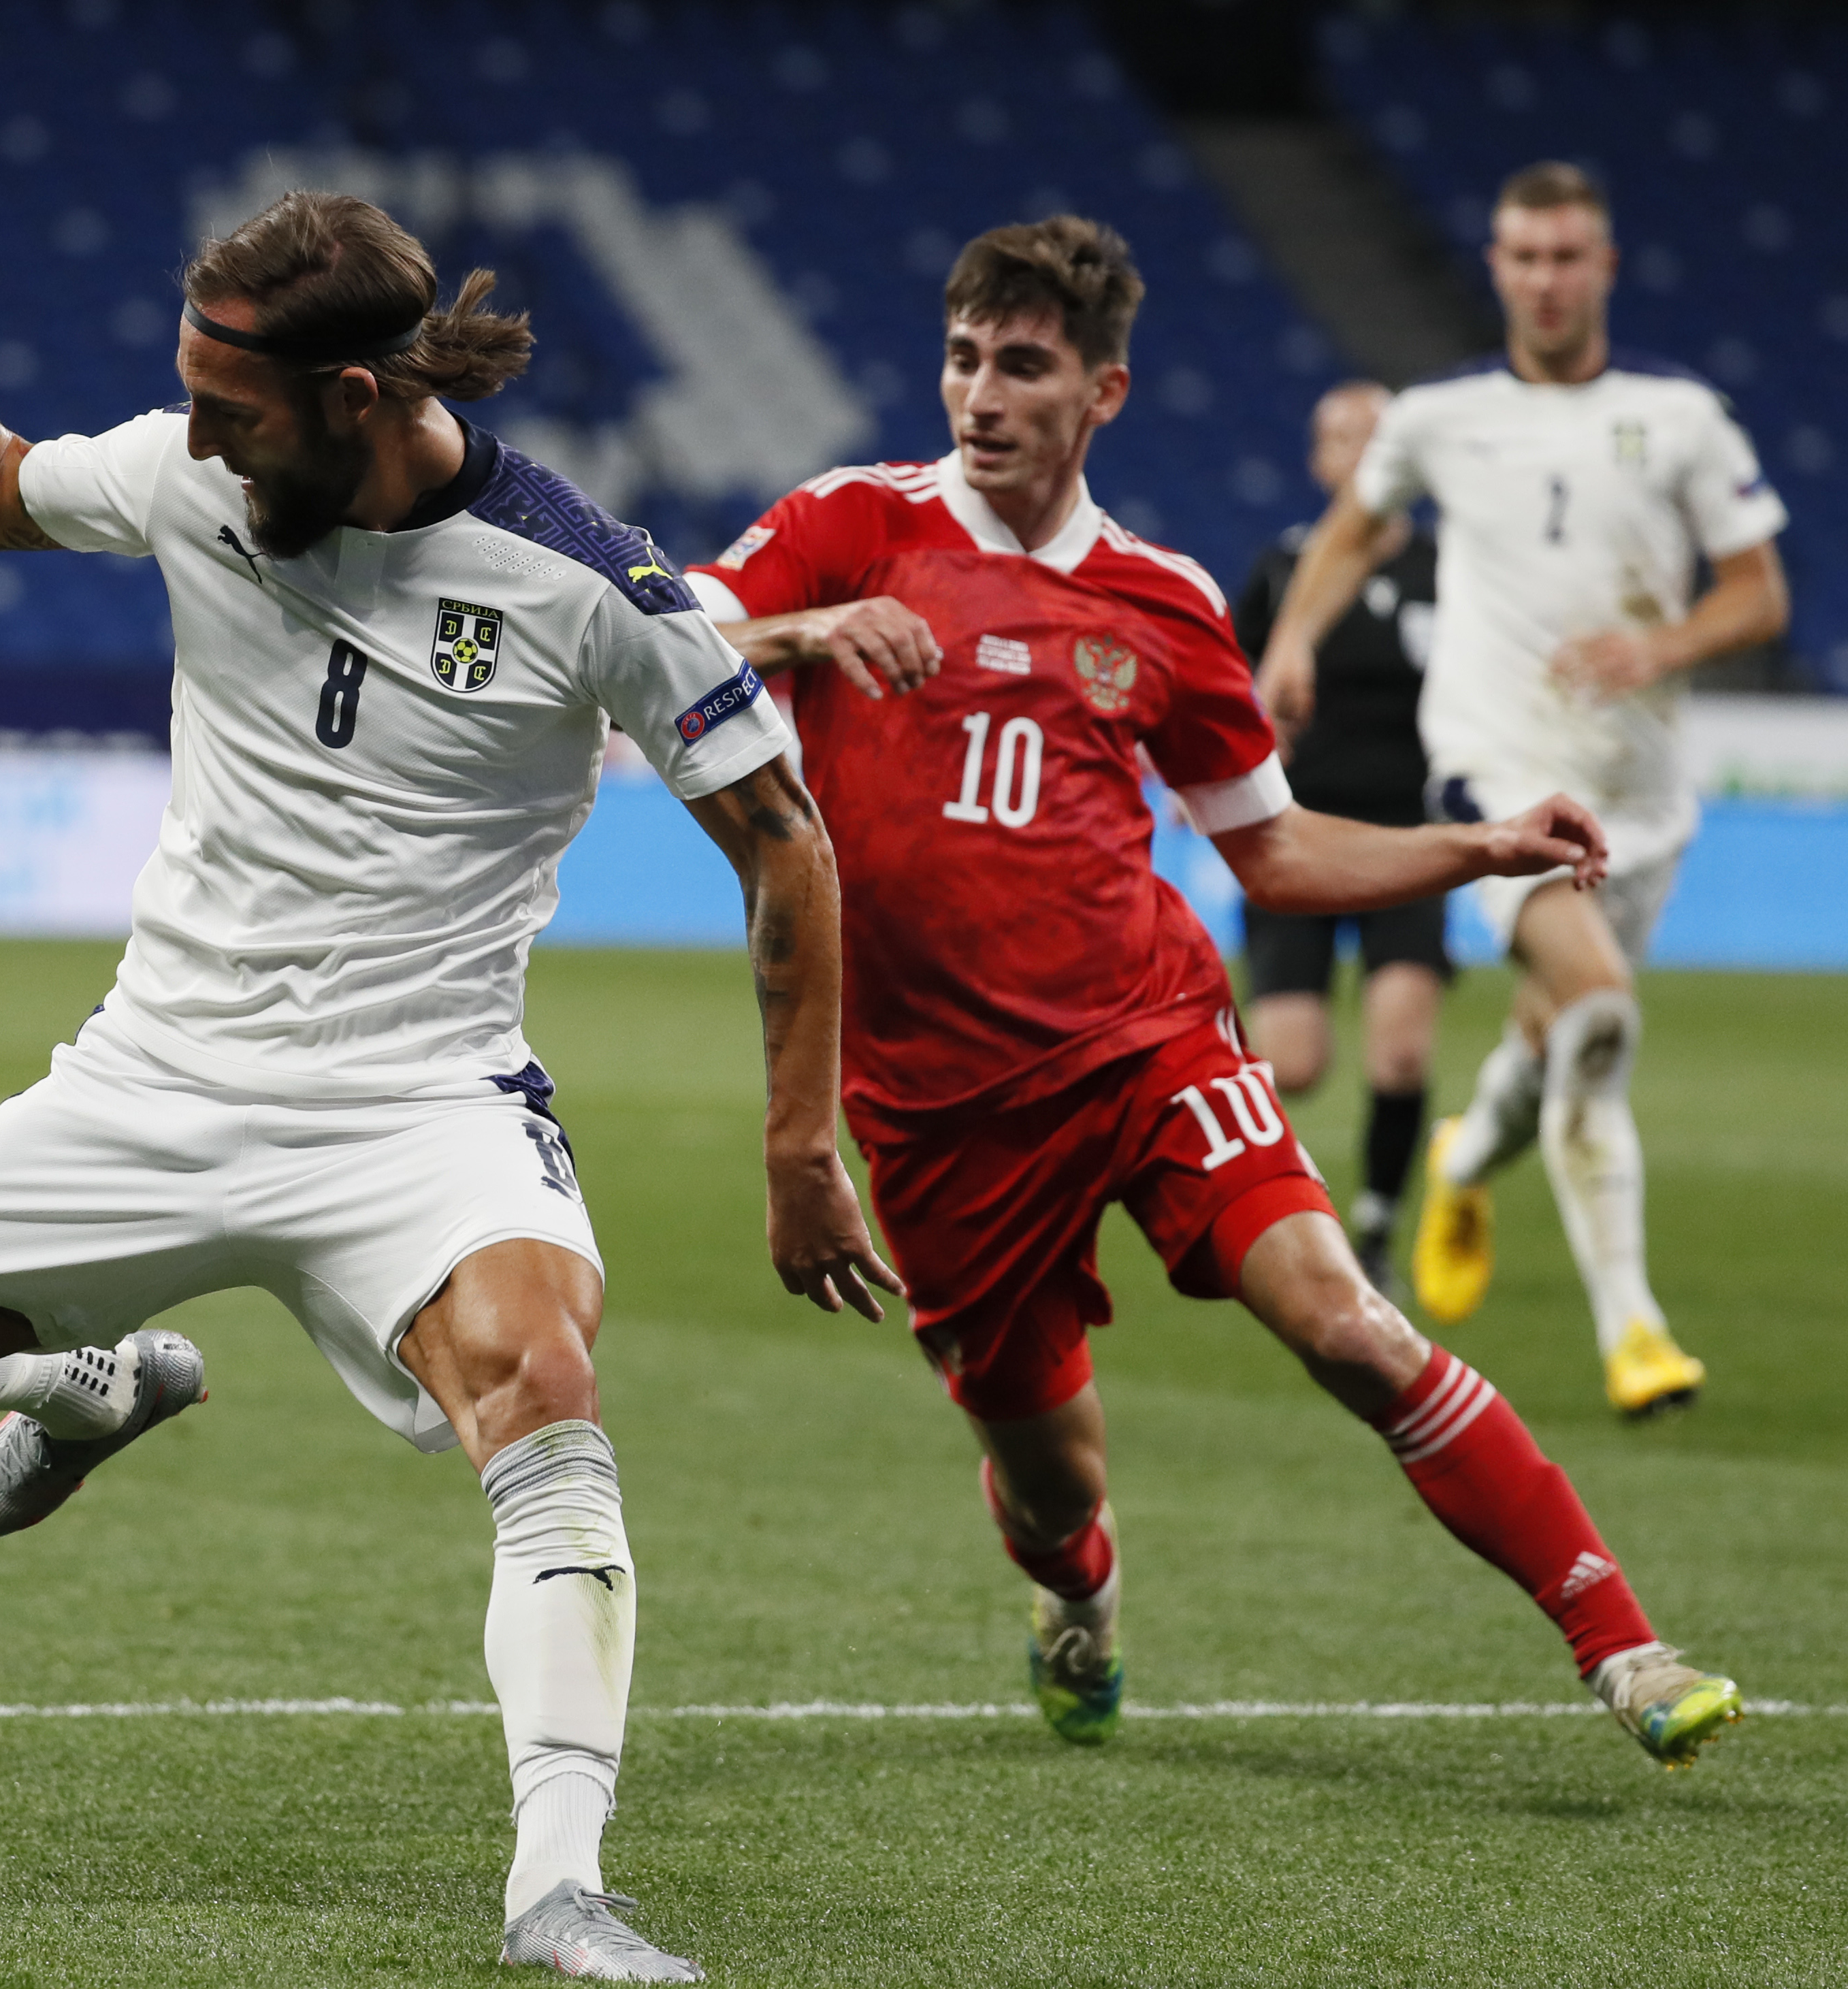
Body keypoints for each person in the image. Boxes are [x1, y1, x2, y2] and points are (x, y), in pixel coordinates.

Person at [0, 193, 898, 1984]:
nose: (199, 440)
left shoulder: (593, 587)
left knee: (546, 1388)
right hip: (155, 1077)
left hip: (419, 1108)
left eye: (234, 408)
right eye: (193, 401)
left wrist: (799, 1142)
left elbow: (786, 846)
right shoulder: (196, 476)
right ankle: (90, 1382)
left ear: (357, 394)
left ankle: (559, 1887)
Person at [683, 215, 1741, 1770]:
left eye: (1022, 365)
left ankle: (1621, 1643)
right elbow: (662, 634)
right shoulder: (850, 525)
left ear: (1099, 392)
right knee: (1051, 1483)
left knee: (1348, 1326)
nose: (980, 394)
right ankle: (1078, 1593)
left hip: (1145, 1040)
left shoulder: (1163, 600)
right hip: (937, 1107)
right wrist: (801, 630)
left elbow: (1274, 848)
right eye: (964, 357)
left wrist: (1475, 843)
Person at [1254, 163, 1791, 1416]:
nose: (1544, 280)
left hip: (1640, 792)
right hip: (1491, 774)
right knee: (1598, 1012)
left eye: (1565, 257)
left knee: (1554, 1035)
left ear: (1601, 268)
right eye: (1522, 257)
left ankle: (1463, 1150)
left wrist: (1655, 648)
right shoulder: (1440, 419)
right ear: (1492, 266)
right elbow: (1343, 530)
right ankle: (1634, 1331)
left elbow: (1757, 591)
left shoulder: (1681, 418)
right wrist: (1289, 641)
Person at [1229, 381, 1444, 1294]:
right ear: (1317, 460)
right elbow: (1226, 682)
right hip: (1297, 838)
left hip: (1408, 840)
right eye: (1340, 437)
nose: (1358, 451)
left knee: (1400, 1045)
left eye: (1376, 435)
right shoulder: (1285, 568)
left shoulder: (1451, 569)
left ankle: (1378, 1228)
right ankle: (1263, 1213)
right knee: (1295, 1064)